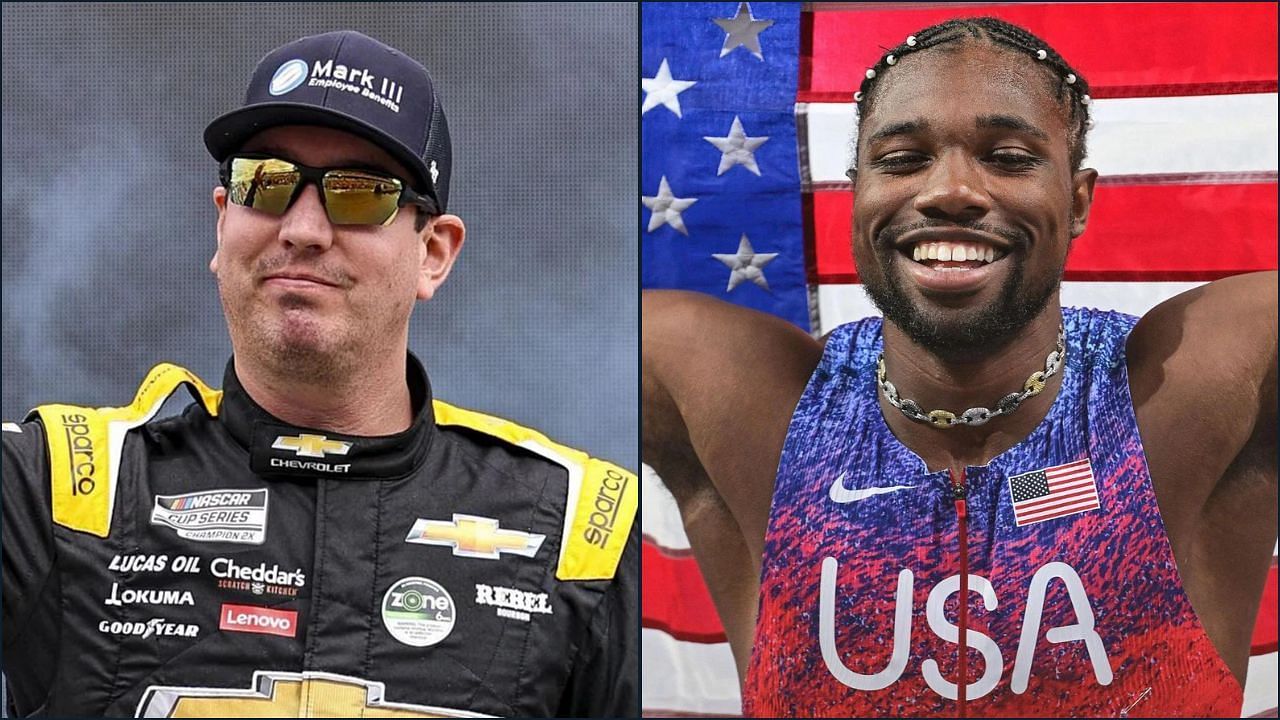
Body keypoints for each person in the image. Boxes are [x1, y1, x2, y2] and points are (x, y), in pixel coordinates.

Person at [643, 16, 1276, 718]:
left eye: (1007, 156)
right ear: (856, 194)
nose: (949, 191)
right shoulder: (742, 401)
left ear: (1078, 200)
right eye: (902, 158)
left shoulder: (1189, 390)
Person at [2, 30, 637, 718]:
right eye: (265, 183)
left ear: (434, 254)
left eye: (359, 193)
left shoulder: (585, 532)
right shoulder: (55, 490)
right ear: (223, 227)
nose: (302, 228)